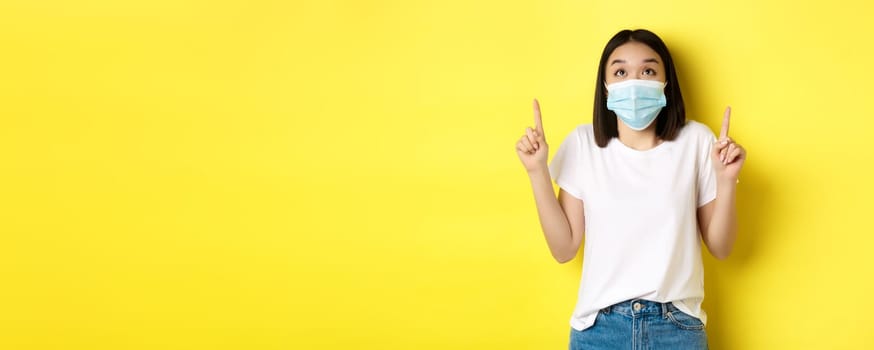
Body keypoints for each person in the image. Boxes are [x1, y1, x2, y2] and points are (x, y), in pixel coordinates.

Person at [515, 29, 745, 349]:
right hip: (600, 331)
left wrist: (725, 180)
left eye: (648, 71)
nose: (634, 82)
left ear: (666, 83)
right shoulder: (583, 144)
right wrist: (537, 171)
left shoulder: (697, 142)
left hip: (676, 329)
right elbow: (564, 249)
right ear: (606, 86)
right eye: (620, 72)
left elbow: (721, 247)